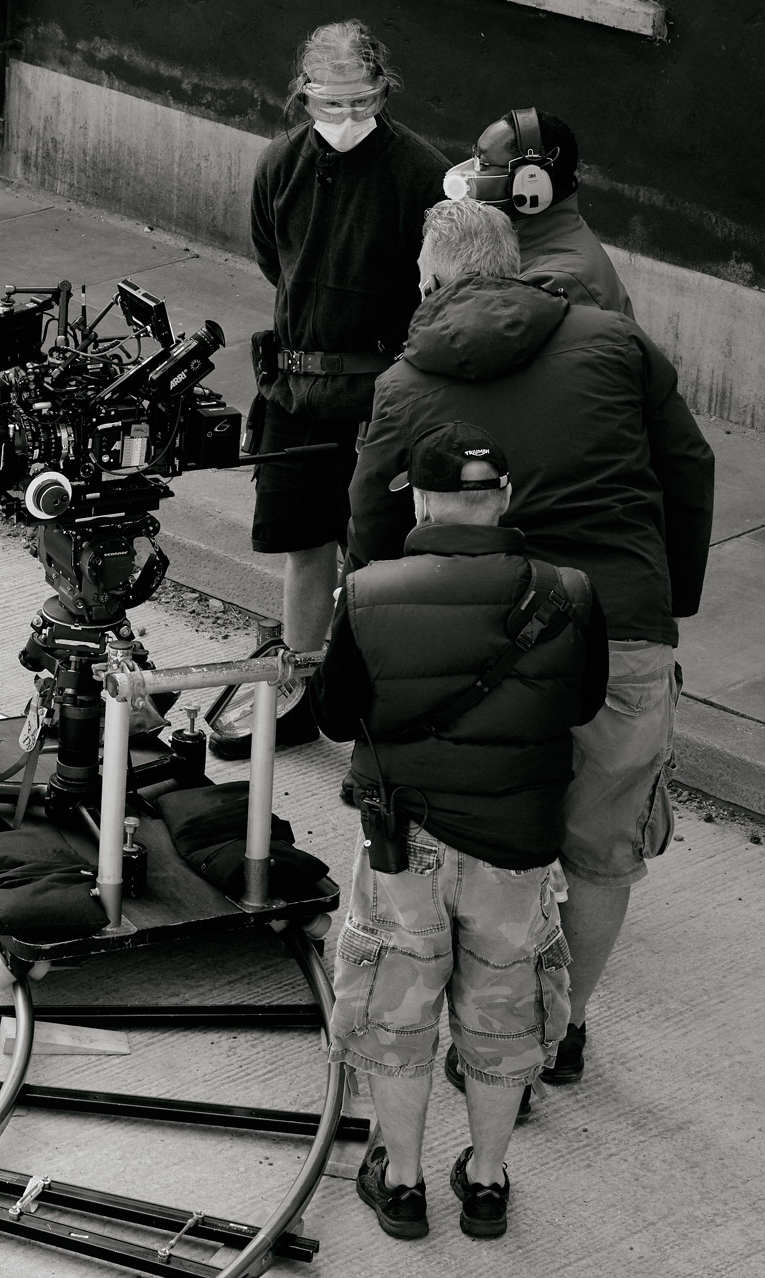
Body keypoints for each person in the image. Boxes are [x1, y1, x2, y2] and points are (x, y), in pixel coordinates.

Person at [347, 200, 715, 1091]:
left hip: (476, 637)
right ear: (516, 265)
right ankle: (561, 1032)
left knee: (476, 843)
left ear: (430, 280)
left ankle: (480, 1041)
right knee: (603, 847)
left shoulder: (404, 384)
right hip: (621, 627)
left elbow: (370, 521)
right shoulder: (616, 342)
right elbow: (690, 466)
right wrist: (665, 599)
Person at [315, 422, 606, 1241]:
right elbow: (582, 704)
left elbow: (334, 716)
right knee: (502, 1017)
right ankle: (485, 1184)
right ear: (503, 497)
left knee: (397, 1011)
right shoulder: (570, 593)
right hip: (516, 847)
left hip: (404, 844)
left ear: (419, 499)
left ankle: (402, 1183)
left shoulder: (367, 593)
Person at [236, 18, 447, 758]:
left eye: (361, 102)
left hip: (379, 397)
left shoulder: (421, 174)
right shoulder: (280, 164)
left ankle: (375, 706)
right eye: (331, 103)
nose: (348, 117)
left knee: (378, 559)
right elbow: (274, 259)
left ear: (384, 90)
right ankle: (303, 689)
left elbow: (437, 290)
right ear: (303, 95)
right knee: (303, 546)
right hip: (295, 390)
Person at [443, 108, 633, 314]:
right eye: (475, 156)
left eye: (483, 163)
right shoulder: (525, 241)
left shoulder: (555, 283)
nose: (466, 174)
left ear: (529, 183)